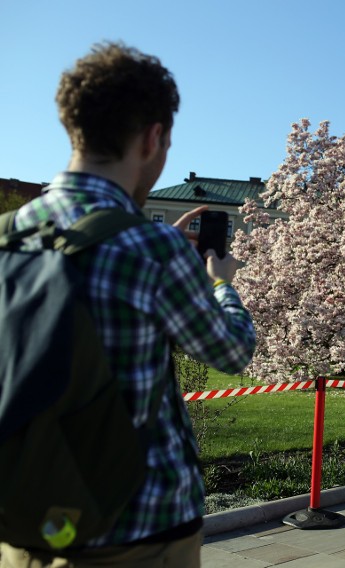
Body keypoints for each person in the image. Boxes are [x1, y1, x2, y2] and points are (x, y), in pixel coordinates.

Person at [0, 43, 255, 566]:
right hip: (138, 528)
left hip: (26, 520)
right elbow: (231, 352)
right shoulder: (152, 249)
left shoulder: (9, 237)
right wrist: (220, 284)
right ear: (154, 136)